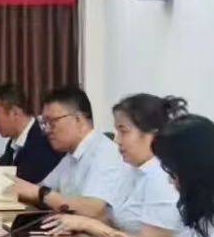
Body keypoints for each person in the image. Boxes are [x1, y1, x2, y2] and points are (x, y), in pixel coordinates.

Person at [40, 94, 183, 237]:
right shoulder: (131, 171)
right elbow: (113, 222)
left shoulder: (162, 177)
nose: (117, 140)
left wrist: (89, 226)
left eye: (124, 132)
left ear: (151, 135)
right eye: (117, 132)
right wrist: (83, 229)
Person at [7, 86, 127, 220]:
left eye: (52, 122)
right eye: (44, 123)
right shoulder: (70, 156)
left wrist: (41, 193)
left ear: (78, 120)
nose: (47, 130)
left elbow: (93, 209)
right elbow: (40, 189)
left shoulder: (105, 153)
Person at [0, 83, 64, 183]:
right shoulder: (14, 143)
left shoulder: (44, 141)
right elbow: (1, 167)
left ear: (15, 113)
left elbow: (25, 180)